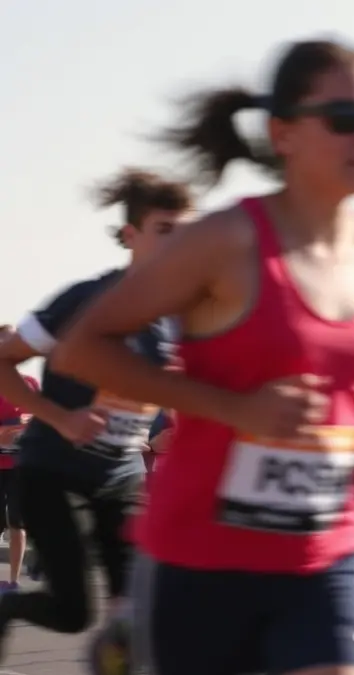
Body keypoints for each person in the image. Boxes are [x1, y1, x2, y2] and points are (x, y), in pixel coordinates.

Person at [49, 38, 354, 675]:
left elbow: (336, 392)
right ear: (284, 132)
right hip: (202, 560)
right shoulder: (225, 241)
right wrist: (231, 407)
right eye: (345, 119)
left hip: (321, 557)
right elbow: (83, 348)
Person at [0, 170, 192, 663]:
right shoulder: (87, 299)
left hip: (122, 478)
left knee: (133, 616)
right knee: (75, 613)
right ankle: (7, 603)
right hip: (54, 472)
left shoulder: (182, 316)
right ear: (130, 235)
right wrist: (59, 418)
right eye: (164, 231)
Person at [0, 330, 38, 593]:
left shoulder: (31, 384)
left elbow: (43, 420)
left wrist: (30, 426)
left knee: (18, 523)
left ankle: (13, 582)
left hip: (21, 467)